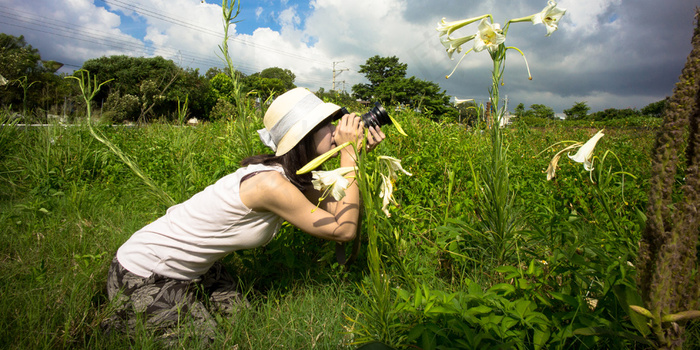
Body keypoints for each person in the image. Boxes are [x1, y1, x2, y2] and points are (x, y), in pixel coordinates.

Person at [104, 87, 386, 338]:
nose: (338, 130)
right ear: (306, 136)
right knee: (209, 341)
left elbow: (338, 211)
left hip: (196, 269)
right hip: (143, 271)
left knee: (245, 324)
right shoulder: (270, 184)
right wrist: (349, 156)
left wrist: (353, 157)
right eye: (329, 125)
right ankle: (120, 317)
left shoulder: (291, 175)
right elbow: (344, 230)